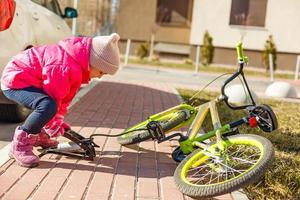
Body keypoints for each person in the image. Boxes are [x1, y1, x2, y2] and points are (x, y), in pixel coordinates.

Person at [0, 33, 121, 168]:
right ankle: (19, 146)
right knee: (46, 105)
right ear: (93, 62)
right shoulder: (63, 65)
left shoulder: (77, 69)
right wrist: (53, 125)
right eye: (101, 72)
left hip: (30, 80)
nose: (100, 77)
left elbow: (62, 100)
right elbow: (52, 97)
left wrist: (58, 121)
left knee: (50, 106)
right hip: (15, 81)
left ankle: (38, 135)